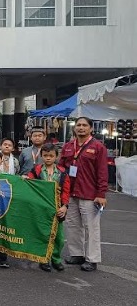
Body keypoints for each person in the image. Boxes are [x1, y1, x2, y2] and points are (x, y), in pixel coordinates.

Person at [59, 117, 108, 272]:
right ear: (74, 129)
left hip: (90, 194)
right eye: (78, 125)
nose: (81, 128)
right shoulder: (67, 146)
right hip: (71, 193)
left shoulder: (98, 147)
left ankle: (92, 259)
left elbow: (102, 172)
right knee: (73, 225)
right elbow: (61, 168)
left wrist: (101, 194)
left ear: (91, 129)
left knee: (91, 228)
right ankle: (77, 254)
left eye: (84, 125)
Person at [28, 143, 70, 272]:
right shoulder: (36, 171)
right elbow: (30, 186)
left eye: (51, 156)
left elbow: (66, 190)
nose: (48, 158)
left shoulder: (62, 172)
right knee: (43, 234)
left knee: (59, 237)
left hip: (57, 208)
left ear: (56, 156)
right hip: (41, 208)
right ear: (41, 156)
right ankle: (44, 259)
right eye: (45, 155)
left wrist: (64, 206)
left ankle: (56, 259)